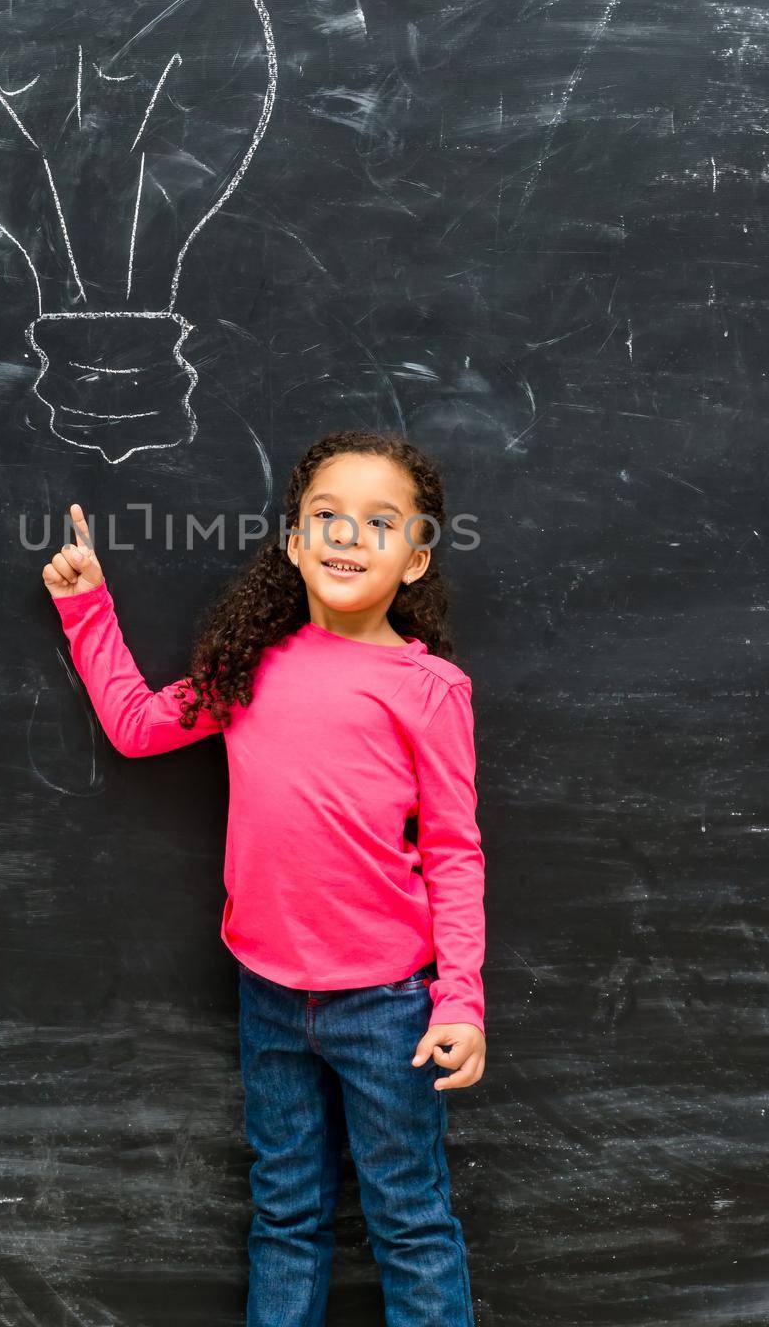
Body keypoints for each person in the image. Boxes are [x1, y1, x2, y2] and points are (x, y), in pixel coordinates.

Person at [43, 428, 485, 1327]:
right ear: (292, 543)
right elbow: (136, 726)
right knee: (285, 1214)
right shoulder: (249, 668)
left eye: (379, 522)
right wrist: (89, 607)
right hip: (269, 996)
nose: (347, 536)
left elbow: (453, 848)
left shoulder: (428, 688)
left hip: (389, 1007)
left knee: (409, 1218)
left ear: (415, 559)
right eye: (326, 517)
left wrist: (461, 1000)